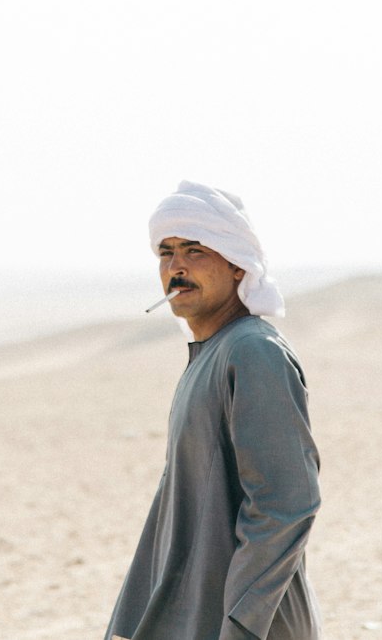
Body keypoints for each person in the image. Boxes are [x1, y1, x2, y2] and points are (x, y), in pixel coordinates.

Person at [105, 180, 322, 640]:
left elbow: (285, 505)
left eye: (195, 251)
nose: (176, 267)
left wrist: (241, 626)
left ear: (238, 266)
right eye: (166, 253)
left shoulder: (253, 352)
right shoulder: (211, 353)